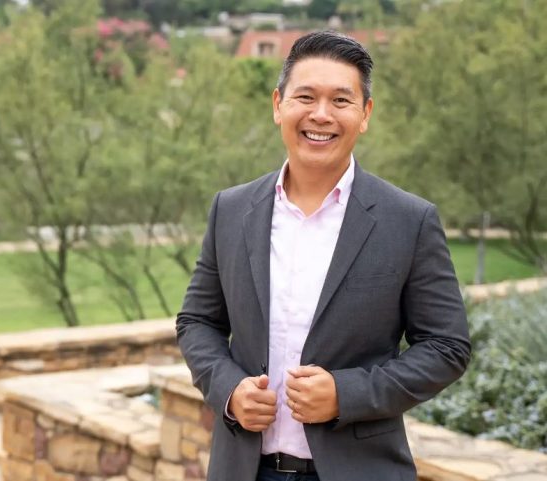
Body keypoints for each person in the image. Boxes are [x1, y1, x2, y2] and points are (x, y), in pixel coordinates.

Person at [176, 30, 471, 481]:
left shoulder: (408, 220)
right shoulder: (231, 210)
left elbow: (446, 346)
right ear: (278, 105)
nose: (321, 114)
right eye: (306, 96)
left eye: (340, 100)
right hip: (243, 470)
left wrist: (347, 393)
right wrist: (229, 390)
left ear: (365, 114)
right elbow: (197, 322)